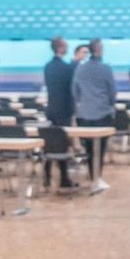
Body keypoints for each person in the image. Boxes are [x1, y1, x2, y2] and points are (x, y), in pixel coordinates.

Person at [73, 37, 116, 190]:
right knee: (100, 149)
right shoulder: (106, 68)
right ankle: (96, 178)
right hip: (102, 113)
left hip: (84, 114)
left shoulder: (80, 68)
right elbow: (112, 92)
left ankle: (93, 177)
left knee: (89, 148)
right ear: (98, 50)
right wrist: (111, 105)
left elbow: (75, 91)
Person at [42, 36, 75, 188]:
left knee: (50, 143)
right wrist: (75, 63)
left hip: (51, 109)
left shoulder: (48, 66)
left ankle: (47, 177)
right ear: (61, 48)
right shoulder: (66, 67)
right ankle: (64, 178)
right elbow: (70, 86)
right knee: (62, 144)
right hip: (63, 111)